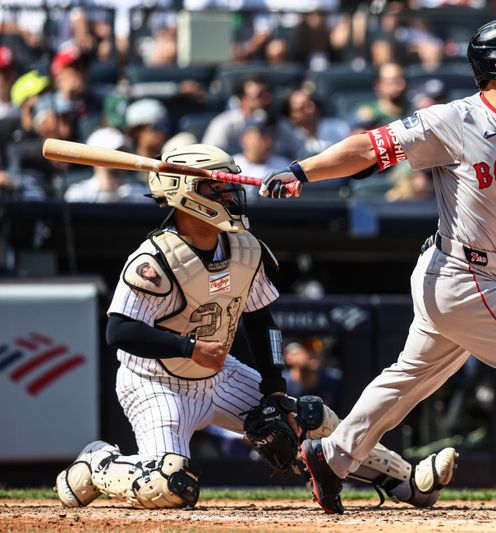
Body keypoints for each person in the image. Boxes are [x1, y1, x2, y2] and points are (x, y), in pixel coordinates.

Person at [259, 14, 496, 518]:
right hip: (459, 271)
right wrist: (302, 171)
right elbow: (369, 146)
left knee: (410, 377)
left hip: (478, 274)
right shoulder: (454, 120)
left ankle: (331, 455)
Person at [54, 143, 457, 510]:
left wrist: (274, 388)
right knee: (170, 485)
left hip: (220, 375)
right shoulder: (154, 260)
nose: (230, 195)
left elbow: (262, 321)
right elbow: (119, 331)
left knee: (309, 418)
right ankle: (99, 464)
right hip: (156, 383)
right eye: (217, 188)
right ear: (185, 195)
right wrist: (188, 348)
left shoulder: (244, 247)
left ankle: (406, 481)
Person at [63, 127, 149, 203]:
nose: (121, 157)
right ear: (95, 157)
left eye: (123, 151)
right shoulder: (78, 195)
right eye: (114, 152)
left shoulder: (140, 194)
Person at [283, 338, 343, 413]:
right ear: (288, 356)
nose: (314, 351)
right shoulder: (281, 386)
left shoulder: (335, 382)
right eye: (307, 346)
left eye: (318, 345)